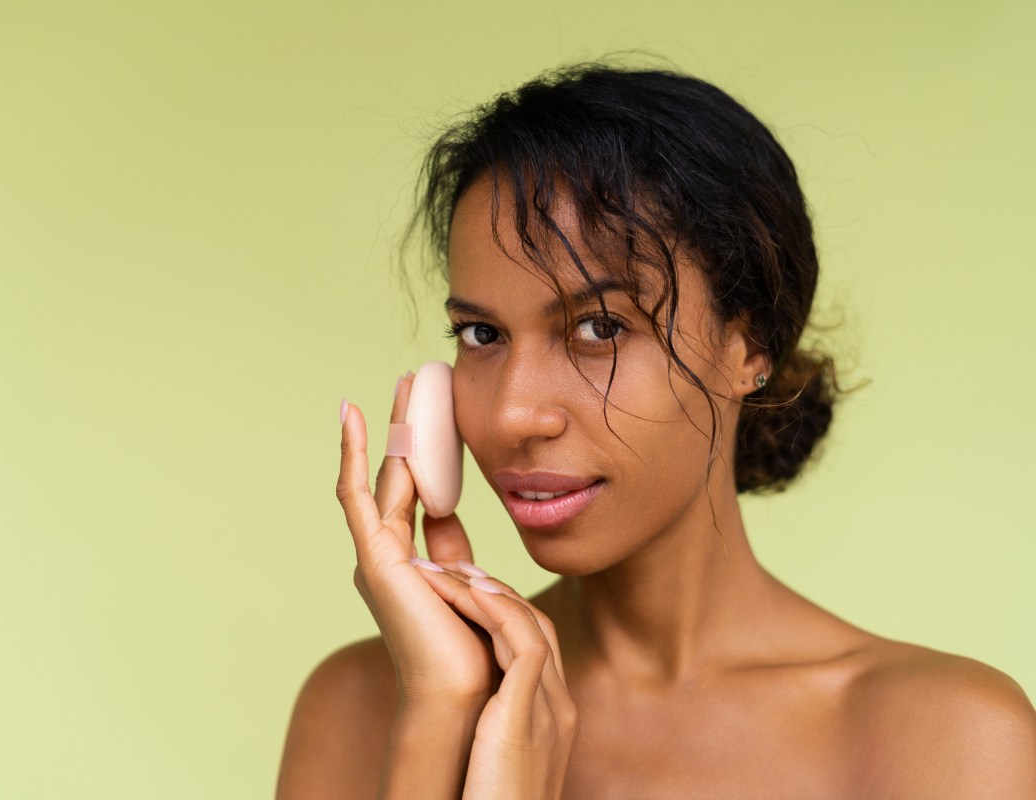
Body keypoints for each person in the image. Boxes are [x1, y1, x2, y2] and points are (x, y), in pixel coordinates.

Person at [276, 63, 1036, 799]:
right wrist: (440, 720)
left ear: (747, 346)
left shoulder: (950, 737)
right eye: (481, 335)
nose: (510, 415)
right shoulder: (364, 707)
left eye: (599, 327)